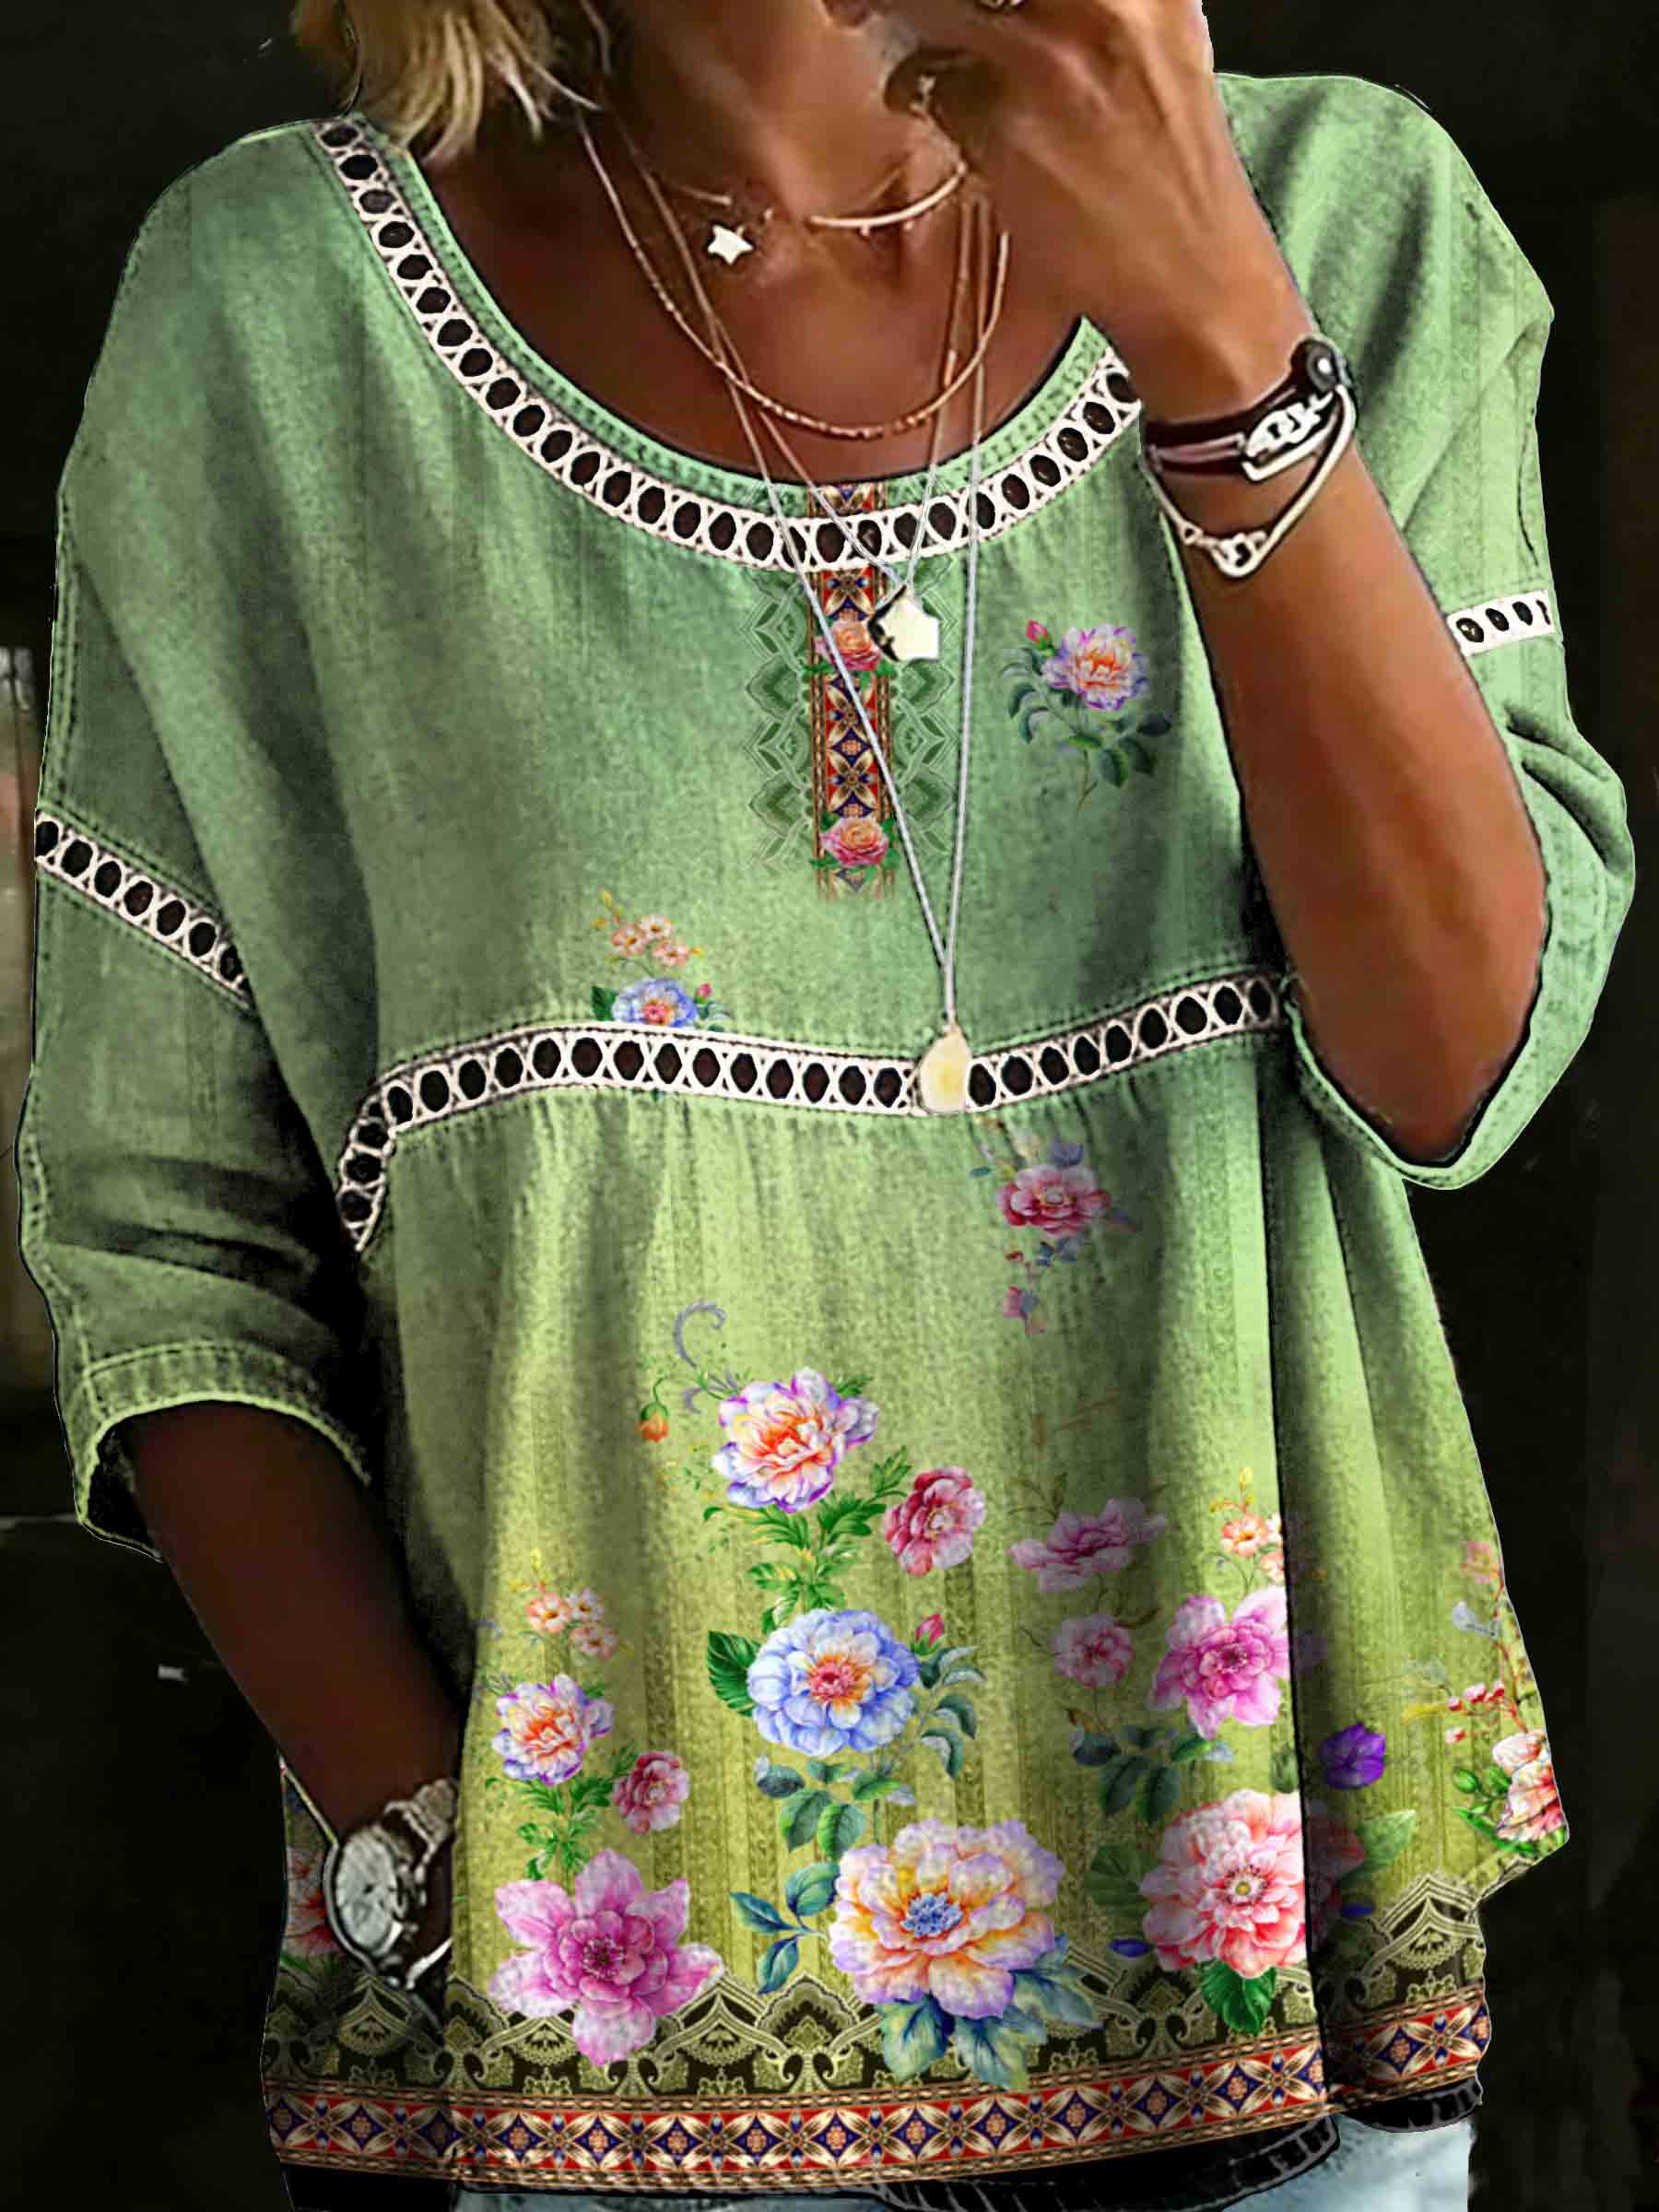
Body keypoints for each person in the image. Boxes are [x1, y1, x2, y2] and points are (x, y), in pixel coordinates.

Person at [15, 0, 1631, 2208]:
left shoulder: (1344, 218)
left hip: (1273, 2028)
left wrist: (1220, 343)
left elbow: (1460, 1064)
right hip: (609, 2046)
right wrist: (438, 1855)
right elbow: (160, 1233)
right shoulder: (281, 312)